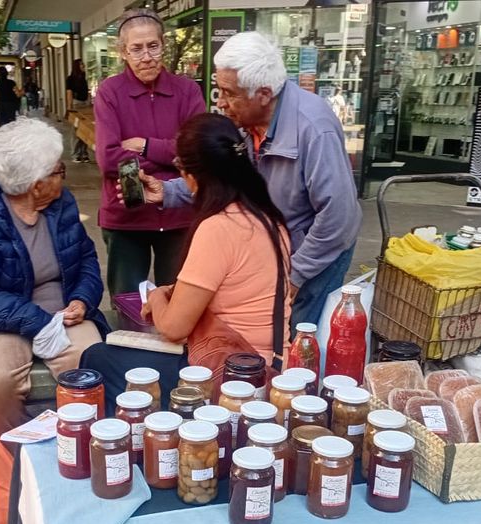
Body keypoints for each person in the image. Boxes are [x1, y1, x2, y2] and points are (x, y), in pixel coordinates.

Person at [143, 31, 362, 329]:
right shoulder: (247, 123)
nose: (220, 103)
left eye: (229, 93)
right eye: (218, 91)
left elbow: (339, 219)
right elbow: (225, 178)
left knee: (297, 336)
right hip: (279, 248)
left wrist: (295, 275)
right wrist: (168, 192)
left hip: (315, 254)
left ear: (263, 94)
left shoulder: (313, 128)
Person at [81, 113, 291, 410]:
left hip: (229, 372)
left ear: (193, 175)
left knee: (98, 357)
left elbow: (174, 327)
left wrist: (156, 295)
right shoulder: (269, 219)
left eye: (180, 167)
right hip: (269, 364)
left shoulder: (218, 227)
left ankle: (142, 445)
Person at [0, 118, 109, 437]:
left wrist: (82, 298)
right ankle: (21, 450)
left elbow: (85, 258)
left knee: (94, 367)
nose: (63, 175)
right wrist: (39, 323)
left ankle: (82, 443)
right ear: (35, 184)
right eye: (58, 170)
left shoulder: (60, 203)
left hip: (60, 309)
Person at [94, 8, 205, 295]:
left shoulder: (187, 90)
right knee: (129, 305)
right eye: (137, 49)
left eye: (153, 46)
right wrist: (170, 160)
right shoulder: (110, 92)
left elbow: (197, 152)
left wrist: (145, 145)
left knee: (180, 302)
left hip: (179, 213)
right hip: (127, 214)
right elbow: (108, 159)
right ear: (123, 52)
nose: (147, 57)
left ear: (163, 46)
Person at [65, 59, 90, 163]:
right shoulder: (70, 79)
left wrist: (89, 101)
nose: (83, 66)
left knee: (84, 129)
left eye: (83, 64)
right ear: (77, 66)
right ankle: (75, 154)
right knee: (75, 130)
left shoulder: (84, 77)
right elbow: (69, 93)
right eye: (81, 64)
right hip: (76, 103)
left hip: (85, 104)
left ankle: (84, 153)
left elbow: (87, 91)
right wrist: (69, 107)